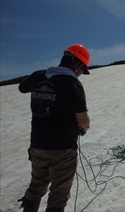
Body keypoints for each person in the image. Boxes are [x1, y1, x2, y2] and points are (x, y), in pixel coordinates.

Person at [18, 44, 91, 212]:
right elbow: (83, 120)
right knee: (59, 193)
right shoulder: (73, 84)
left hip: (37, 146)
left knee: (36, 186)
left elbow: (22, 88)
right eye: (82, 69)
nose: (80, 74)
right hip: (62, 149)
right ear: (76, 63)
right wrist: (84, 128)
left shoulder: (39, 76)